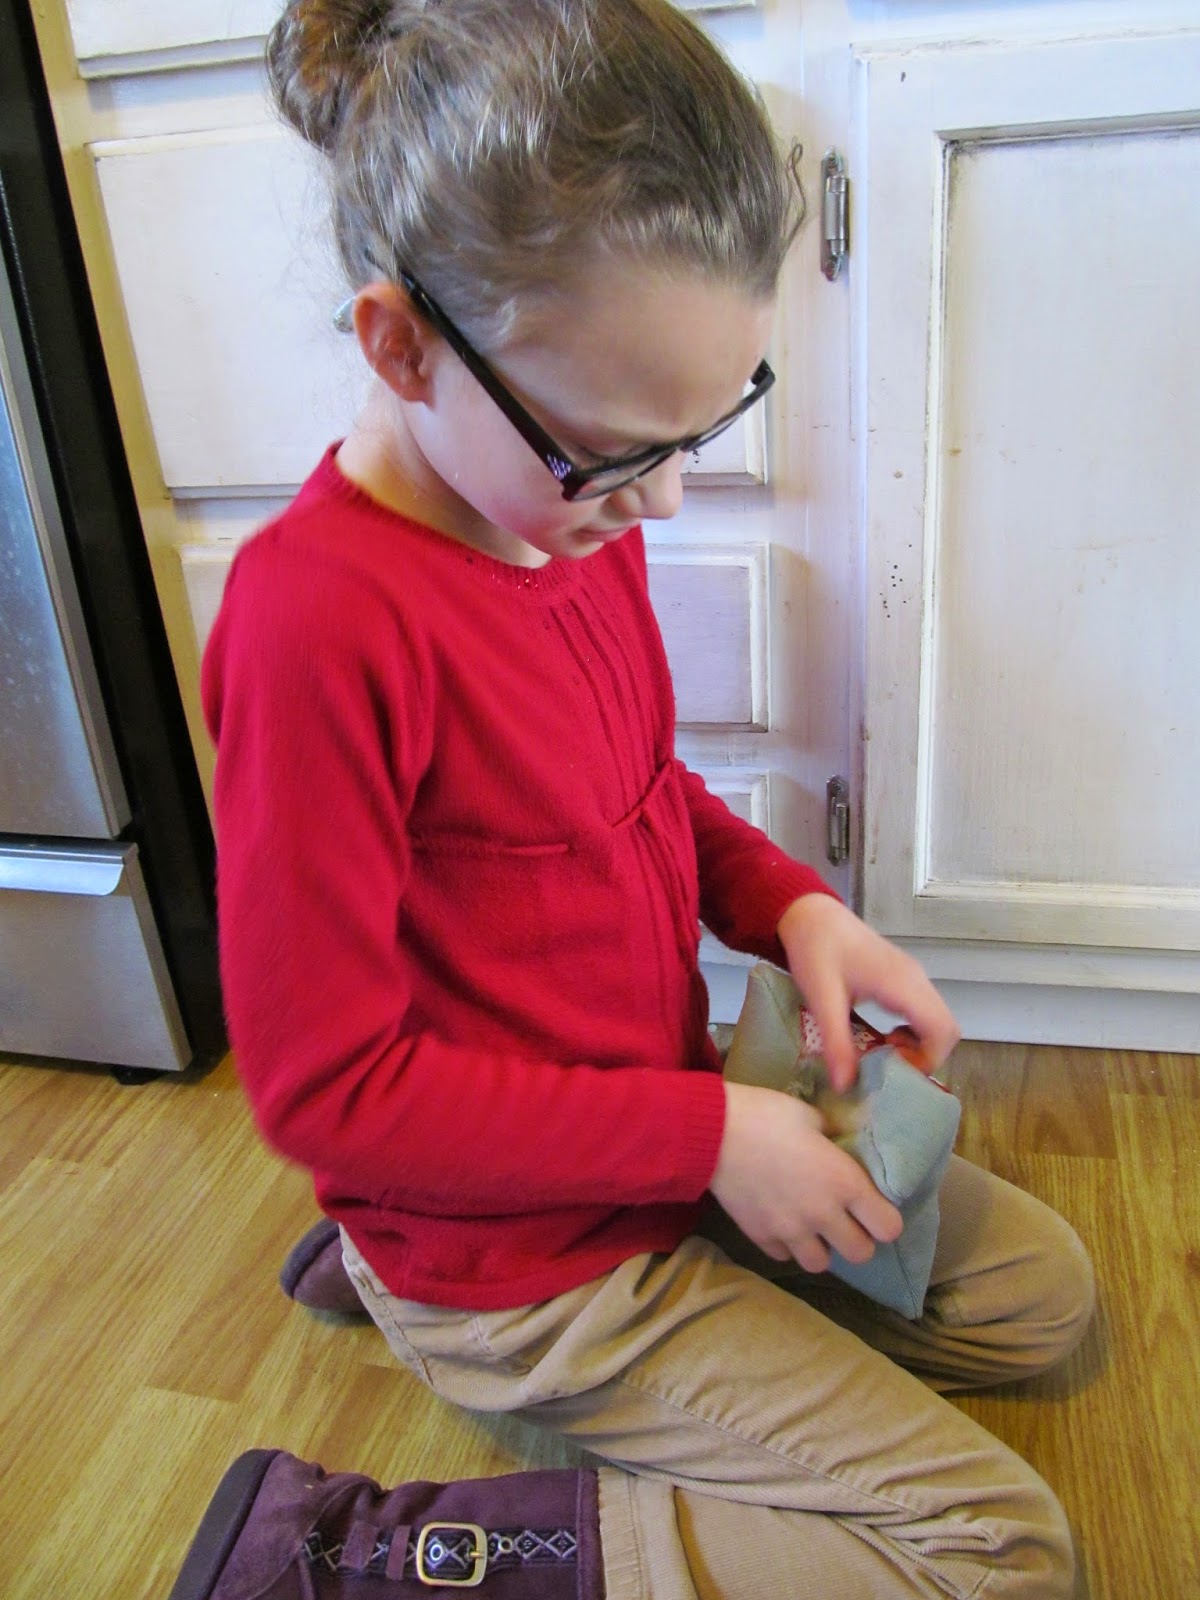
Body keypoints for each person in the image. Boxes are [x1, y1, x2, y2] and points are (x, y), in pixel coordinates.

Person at [200, 2, 1095, 1595]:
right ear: (402, 348)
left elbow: (636, 792)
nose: (667, 500)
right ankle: (365, 1548)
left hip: (651, 1135)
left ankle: (394, 1247)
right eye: (618, 451)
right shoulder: (314, 629)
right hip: (536, 1264)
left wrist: (789, 905)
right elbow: (326, 1089)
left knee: (1045, 1298)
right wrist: (710, 1138)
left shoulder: (554, 516)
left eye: (701, 429)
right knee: (1000, 1554)